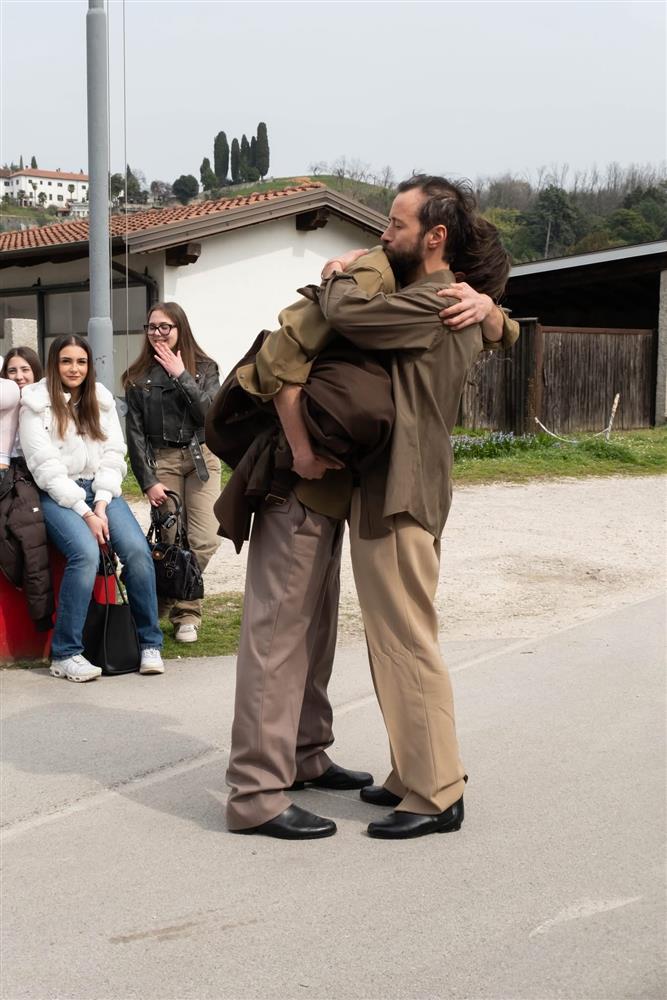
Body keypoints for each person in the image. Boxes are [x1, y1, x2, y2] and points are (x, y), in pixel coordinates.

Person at [215, 201, 518, 838]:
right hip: (306, 482)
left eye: (395, 225)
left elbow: (357, 315)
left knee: (374, 638)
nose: (382, 234)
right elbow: (279, 357)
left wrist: (489, 312)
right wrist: (301, 446)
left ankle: (418, 783)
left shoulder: (404, 295)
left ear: (435, 242)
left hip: (378, 490)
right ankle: (261, 789)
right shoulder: (388, 286)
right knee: (290, 634)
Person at [19, 335, 164, 681]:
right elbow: (45, 469)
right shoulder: (35, 404)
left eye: (81, 362)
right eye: (66, 361)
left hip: (101, 491)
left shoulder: (101, 400)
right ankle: (66, 653)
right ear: (54, 364)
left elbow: (114, 454)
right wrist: (85, 514)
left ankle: (149, 643)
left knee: (137, 552)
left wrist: (99, 504)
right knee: (84, 553)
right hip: (59, 495)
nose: (74, 368)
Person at [123, 303, 221, 644]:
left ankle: (168, 602)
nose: (157, 333)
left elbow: (209, 416)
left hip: (200, 457)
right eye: (152, 327)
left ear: (180, 328)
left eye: (165, 327)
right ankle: (187, 614)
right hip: (163, 460)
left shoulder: (205, 368)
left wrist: (182, 376)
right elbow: (134, 436)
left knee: (205, 539)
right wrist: (147, 481)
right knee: (170, 541)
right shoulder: (137, 377)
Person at [0, 347, 54, 629]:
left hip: (38, 471)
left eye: (25, 370)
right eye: (12, 371)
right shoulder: (5, 400)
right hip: (10, 470)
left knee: (29, 527)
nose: (19, 376)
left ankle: (40, 611)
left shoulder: (46, 402)